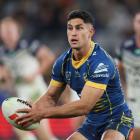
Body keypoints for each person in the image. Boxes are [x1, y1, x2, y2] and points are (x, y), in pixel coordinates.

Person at [16, 10, 134, 140]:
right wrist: (31, 111)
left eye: (79, 28)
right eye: (70, 28)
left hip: (117, 118)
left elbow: (84, 106)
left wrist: (42, 113)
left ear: (91, 32)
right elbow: (50, 97)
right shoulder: (62, 62)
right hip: (93, 121)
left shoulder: (101, 62)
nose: (73, 33)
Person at [0, 17, 57, 140]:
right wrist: (6, 81)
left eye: (10, 30)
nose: (7, 34)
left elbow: (49, 57)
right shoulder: (2, 52)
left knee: (44, 134)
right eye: (4, 31)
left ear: (17, 31)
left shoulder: (28, 44)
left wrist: (36, 73)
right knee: (21, 132)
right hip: (20, 94)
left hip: (36, 91)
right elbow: (5, 76)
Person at [116, 10, 140, 140]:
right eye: (139, 22)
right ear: (134, 24)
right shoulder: (125, 47)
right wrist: (123, 87)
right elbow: (118, 69)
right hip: (133, 98)